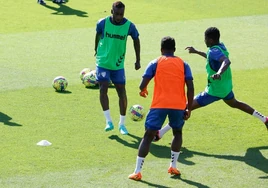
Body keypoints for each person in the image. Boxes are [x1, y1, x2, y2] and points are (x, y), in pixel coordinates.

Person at [154, 27, 268, 142]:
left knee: (185, 108)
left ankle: (160, 133)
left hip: (214, 91)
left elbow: (226, 61)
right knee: (235, 103)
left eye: (206, 39)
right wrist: (197, 51)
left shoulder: (214, 51)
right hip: (225, 87)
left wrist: (218, 73)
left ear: (211, 40)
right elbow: (212, 56)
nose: (205, 41)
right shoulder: (220, 47)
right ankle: (264, 119)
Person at [128, 36, 194, 181]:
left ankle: (137, 172)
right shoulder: (184, 64)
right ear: (174, 49)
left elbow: (142, 83)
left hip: (159, 105)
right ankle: (173, 166)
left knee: (148, 136)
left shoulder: (155, 62)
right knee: (177, 133)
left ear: (161, 49)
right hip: (178, 105)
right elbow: (190, 87)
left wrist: (143, 89)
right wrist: (188, 108)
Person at [94, 1, 141, 135]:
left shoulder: (129, 26)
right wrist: (95, 48)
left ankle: (122, 124)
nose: (119, 17)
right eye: (117, 13)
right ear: (112, 11)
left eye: (121, 14)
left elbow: (136, 39)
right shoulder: (102, 23)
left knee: (122, 92)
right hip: (103, 62)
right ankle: (108, 121)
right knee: (103, 89)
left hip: (118, 65)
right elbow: (97, 35)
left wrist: (138, 60)